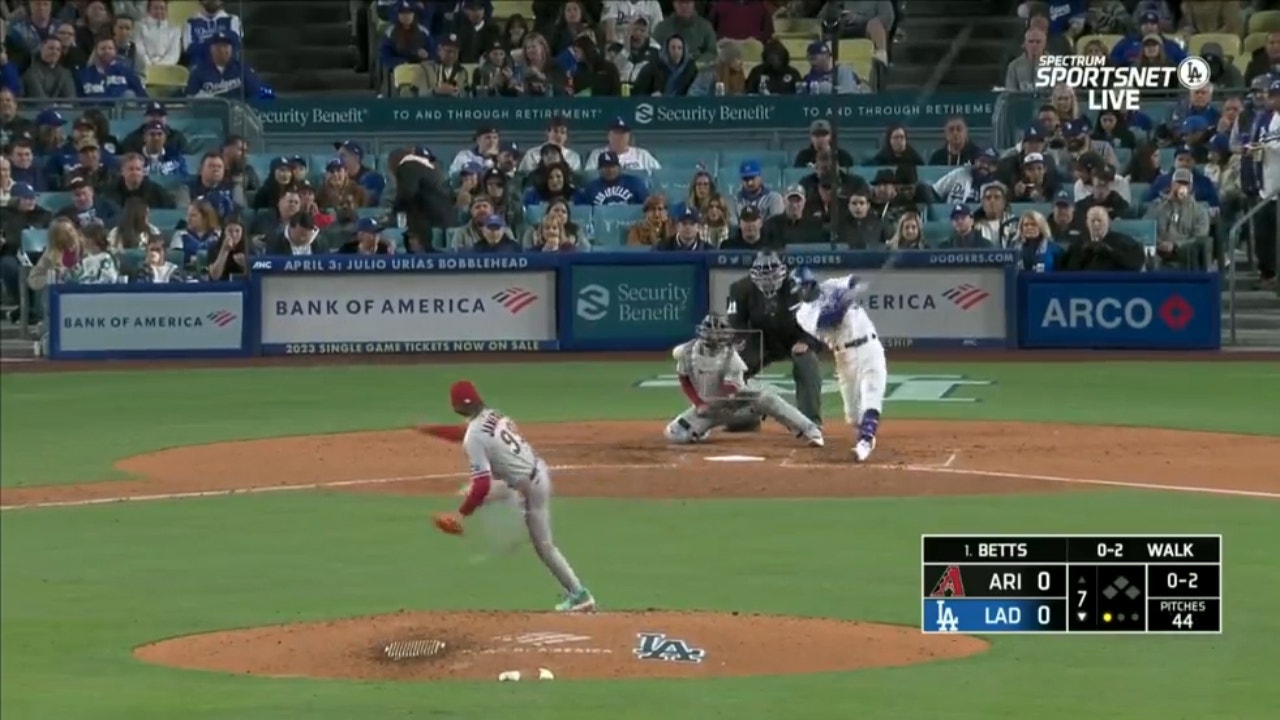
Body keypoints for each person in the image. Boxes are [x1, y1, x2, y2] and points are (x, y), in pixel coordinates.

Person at [419, 380, 596, 613]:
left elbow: (481, 483)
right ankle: (506, 503)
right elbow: (468, 433)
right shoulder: (494, 415)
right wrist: (436, 430)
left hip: (531, 489)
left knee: (544, 546)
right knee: (477, 490)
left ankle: (580, 595)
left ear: (456, 408)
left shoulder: (473, 438)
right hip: (536, 471)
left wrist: (461, 514)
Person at [662, 312, 823, 446]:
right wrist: (699, 403)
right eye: (713, 333)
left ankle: (810, 430)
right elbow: (684, 380)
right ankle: (706, 427)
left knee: (766, 398)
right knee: (675, 434)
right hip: (708, 407)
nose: (717, 337)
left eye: (720, 333)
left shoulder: (731, 356)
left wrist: (724, 402)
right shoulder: (687, 352)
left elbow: (731, 387)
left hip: (736, 401)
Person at [721, 251, 825, 431]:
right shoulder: (739, 289)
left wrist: (807, 342)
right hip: (760, 339)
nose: (768, 279)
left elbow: (818, 322)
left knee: (808, 362)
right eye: (762, 273)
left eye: (772, 273)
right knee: (731, 367)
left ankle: (810, 421)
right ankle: (744, 417)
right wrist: (739, 342)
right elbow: (735, 323)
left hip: (794, 337)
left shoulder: (799, 286)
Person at [792, 267, 886, 462]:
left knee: (871, 396)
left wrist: (854, 288)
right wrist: (842, 301)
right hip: (844, 357)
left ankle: (865, 442)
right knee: (852, 416)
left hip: (869, 347)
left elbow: (854, 279)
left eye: (800, 289)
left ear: (809, 284)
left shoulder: (832, 285)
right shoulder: (803, 313)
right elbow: (829, 320)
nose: (799, 294)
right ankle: (865, 430)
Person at [1145, 168, 1211, 270]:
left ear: (1191, 187)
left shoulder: (1200, 211)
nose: (1182, 186)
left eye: (1186, 184)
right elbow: (1146, 226)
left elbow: (1199, 237)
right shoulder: (1158, 206)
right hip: (1158, 250)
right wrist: (1160, 244)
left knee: (1193, 249)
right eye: (1178, 183)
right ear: (1172, 184)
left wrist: (1175, 245)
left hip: (1183, 252)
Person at [1059, 206, 1145, 272]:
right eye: (1092, 221)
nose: (1096, 224)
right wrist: (1083, 257)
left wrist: (1111, 253)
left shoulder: (1124, 242)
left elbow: (1136, 264)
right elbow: (1067, 270)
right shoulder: (1078, 245)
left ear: (1108, 222)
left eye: (1100, 220)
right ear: (1087, 223)